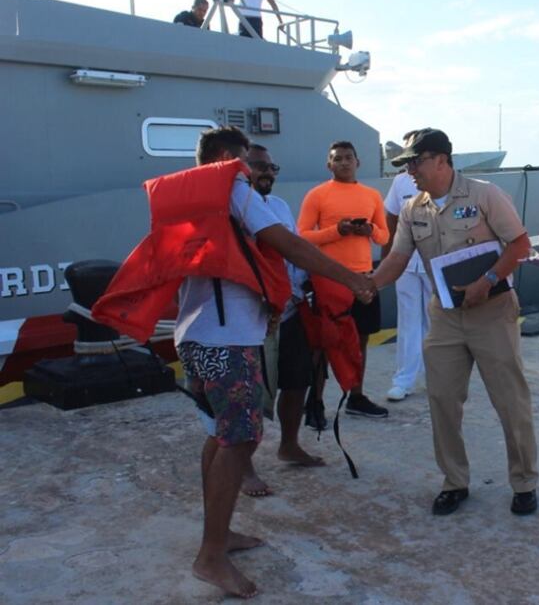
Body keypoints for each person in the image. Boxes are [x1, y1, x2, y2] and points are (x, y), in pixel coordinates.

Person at [92, 127, 373, 599]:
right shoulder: (232, 188)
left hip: (197, 336)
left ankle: (219, 538)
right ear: (226, 158)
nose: (250, 168)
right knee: (240, 437)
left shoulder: (199, 198)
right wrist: (352, 279)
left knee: (217, 434)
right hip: (226, 341)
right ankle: (210, 556)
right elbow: (290, 245)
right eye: (245, 159)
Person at [369, 128, 539, 517]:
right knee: (443, 400)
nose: (410, 170)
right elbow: (396, 259)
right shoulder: (414, 209)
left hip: (492, 312)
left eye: (417, 161)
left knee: (510, 401)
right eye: (406, 164)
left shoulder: (485, 195)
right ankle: (455, 481)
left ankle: (525, 481)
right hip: (444, 316)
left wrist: (489, 280)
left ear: (442, 159)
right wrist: (368, 286)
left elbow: (520, 244)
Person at [297, 140, 389, 419]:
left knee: (360, 340)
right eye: (337, 159)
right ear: (329, 164)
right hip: (328, 279)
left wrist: (368, 229)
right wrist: (337, 230)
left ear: (357, 162)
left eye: (349, 158)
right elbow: (302, 235)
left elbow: (384, 236)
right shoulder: (317, 194)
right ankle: (315, 401)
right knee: (325, 342)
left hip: (363, 278)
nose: (344, 163)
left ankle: (356, 396)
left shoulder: (372, 195)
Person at [248, 145, 324, 467]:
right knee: (251, 394)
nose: (267, 172)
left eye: (271, 167)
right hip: (253, 318)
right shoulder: (232, 209)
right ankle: (245, 464)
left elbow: (292, 252)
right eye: (259, 166)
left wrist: (301, 289)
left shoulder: (278, 205)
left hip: (289, 311)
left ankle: (288, 446)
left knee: (297, 381)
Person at [382, 170, 433, 402]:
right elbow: (391, 218)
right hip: (404, 262)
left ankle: (439, 378)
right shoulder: (400, 181)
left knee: (437, 321)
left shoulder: (441, 179)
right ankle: (404, 380)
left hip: (434, 261)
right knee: (408, 322)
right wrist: (386, 260)